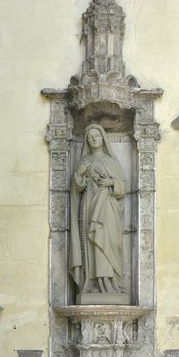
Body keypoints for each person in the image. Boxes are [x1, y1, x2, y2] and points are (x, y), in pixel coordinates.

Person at [69, 123, 126, 299]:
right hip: (88, 208)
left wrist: (112, 183)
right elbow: (78, 188)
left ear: (103, 138)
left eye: (97, 136)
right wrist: (79, 174)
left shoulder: (112, 162)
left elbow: (123, 189)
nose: (94, 139)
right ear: (87, 140)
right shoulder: (83, 162)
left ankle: (111, 285)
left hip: (108, 210)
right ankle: (91, 284)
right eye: (90, 136)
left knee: (108, 242)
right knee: (90, 244)